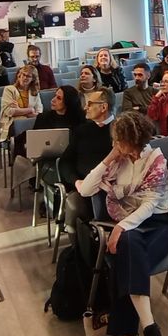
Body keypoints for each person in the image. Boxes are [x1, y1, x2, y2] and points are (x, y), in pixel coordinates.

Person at [75, 111, 168, 336]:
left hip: (157, 224)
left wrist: (120, 227)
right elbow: (85, 190)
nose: (115, 144)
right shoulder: (116, 161)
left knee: (124, 255)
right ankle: (149, 329)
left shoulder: (155, 159)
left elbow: (150, 204)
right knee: (128, 250)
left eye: (118, 140)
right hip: (130, 230)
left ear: (131, 141)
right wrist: (108, 159)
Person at [59, 88, 116, 235]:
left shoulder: (121, 129)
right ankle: (84, 253)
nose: (85, 107)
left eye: (90, 104)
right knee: (75, 207)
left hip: (115, 188)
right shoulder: (81, 131)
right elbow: (65, 162)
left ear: (104, 107)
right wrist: (76, 181)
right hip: (83, 188)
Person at [0, 64, 43, 142]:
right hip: (12, 124)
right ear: (19, 76)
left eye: (28, 76)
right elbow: (9, 112)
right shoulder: (9, 89)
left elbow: (39, 112)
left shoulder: (34, 92)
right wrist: (30, 110)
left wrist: (19, 110)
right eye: (23, 75)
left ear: (33, 79)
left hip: (31, 123)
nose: (25, 78)